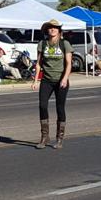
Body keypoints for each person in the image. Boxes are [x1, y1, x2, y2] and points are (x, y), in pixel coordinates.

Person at [32, 19, 73, 149]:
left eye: (55, 27)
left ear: (59, 30)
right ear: (47, 30)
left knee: (60, 108)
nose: (52, 29)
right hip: (46, 80)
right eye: (50, 27)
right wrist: (35, 80)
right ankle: (44, 137)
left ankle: (59, 138)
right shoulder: (42, 44)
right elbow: (38, 63)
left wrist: (65, 78)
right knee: (42, 106)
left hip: (61, 80)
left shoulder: (64, 44)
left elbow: (69, 63)